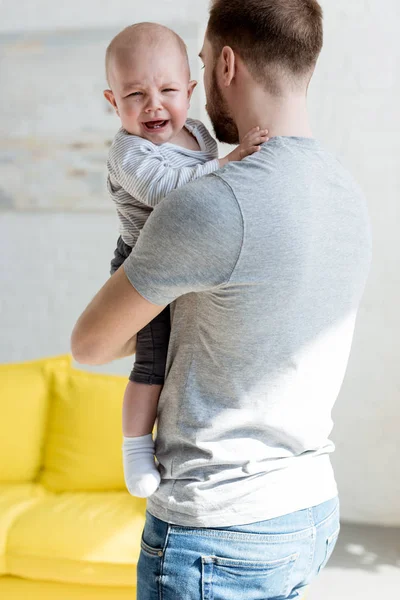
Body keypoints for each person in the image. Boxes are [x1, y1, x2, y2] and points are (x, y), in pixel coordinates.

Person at [71, 1, 372, 598]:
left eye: (201, 62)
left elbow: (89, 346)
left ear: (224, 65)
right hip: (309, 511)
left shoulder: (211, 204)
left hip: (218, 527)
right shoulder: (346, 193)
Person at [103, 22, 268, 498]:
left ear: (191, 92)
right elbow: (165, 192)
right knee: (151, 364)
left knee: (191, 354)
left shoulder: (196, 132)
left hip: (191, 260)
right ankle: (135, 446)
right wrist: (228, 164)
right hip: (143, 264)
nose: (154, 104)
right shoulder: (128, 150)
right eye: (135, 94)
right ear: (114, 102)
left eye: (168, 89)